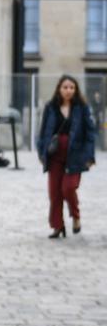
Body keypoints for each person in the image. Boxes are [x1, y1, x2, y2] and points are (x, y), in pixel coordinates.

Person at [36, 75, 96, 238]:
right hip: (54, 155)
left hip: (75, 155)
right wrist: (41, 152)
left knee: (68, 188)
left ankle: (75, 216)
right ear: (59, 89)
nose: (68, 90)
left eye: (72, 87)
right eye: (65, 87)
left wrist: (90, 156)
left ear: (75, 90)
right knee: (54, 193)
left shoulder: (82, 108)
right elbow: (43, 131)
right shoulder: (51, 107)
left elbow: (90, 133)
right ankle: (58, 226)